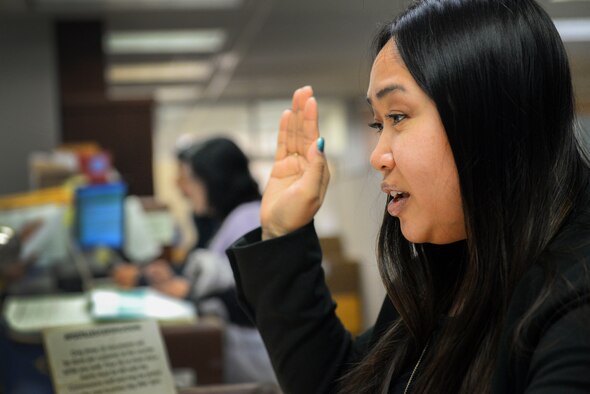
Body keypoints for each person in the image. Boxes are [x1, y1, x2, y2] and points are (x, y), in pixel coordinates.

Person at [226, 1, 590, 393]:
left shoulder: (575, 300)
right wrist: (283, 231)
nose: (377, 156)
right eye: (377, 123)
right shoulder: (454, 265)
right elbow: (344, 384)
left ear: (489, 117)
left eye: (397, 117)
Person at [114, 137, 276, 384]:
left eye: (192, 180)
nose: (187, 189)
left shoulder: (249, 219)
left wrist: (191, 294)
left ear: (214, 181)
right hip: (246, 353)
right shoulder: (234, 217)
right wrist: (176, 279)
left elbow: (257, 299)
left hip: (257, 359)